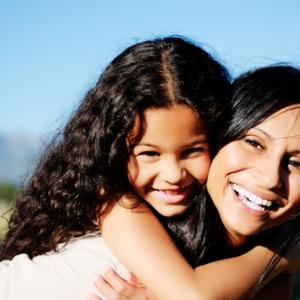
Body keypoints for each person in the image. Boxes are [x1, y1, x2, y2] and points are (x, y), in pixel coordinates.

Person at [0, 37, 296, 300]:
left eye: (192, 151)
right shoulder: (118, 218)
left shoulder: (245, 270)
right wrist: (281, 254)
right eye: (149, 153)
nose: (173, 174)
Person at [90, 65, 300, 300]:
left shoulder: (268, 270)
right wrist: (279, 255)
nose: (270, 178)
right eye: (254, 143)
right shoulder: (121, 207)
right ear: (216, 138)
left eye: (296, 163)